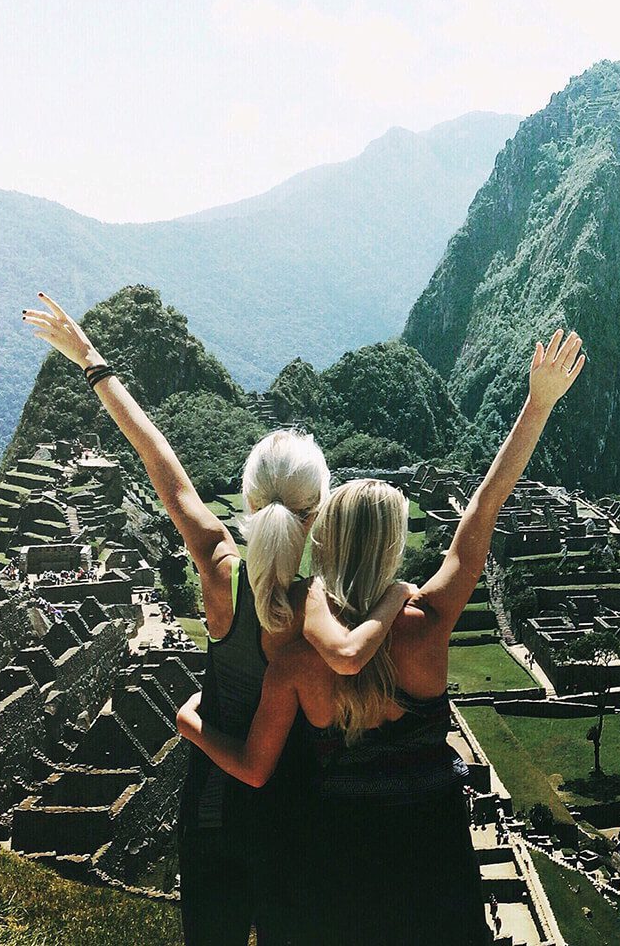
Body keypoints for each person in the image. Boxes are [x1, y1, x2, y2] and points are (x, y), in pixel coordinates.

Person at [24, 293, 411, 946]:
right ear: (317, 511)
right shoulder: (316, 598)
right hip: (293, 806)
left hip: (212, 803)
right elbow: (349, 660)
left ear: (250, 499)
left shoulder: (218, 566)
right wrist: (395, 596)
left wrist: (89, 358)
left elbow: (159, 462)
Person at [177, 328, 586, 945]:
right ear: (395, 547)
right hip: (431, 849)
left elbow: (258, 766)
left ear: (327, 541)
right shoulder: (425, 626)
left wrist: (191, 722)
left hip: (337, 860)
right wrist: (539, 403)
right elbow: (483, 510)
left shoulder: (295, 657)